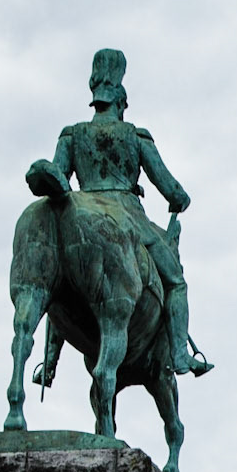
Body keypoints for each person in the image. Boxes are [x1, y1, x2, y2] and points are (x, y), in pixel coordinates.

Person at [29, 47, 214, 385]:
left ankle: (49, 365)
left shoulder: (71, 135)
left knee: (61, 279)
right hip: (129, 217)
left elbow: (59, 178)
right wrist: (181, 200)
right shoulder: (135, 136)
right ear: (121, 103)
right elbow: (170, 188)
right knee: (177, 281)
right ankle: (179, 354)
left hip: (80, 209)